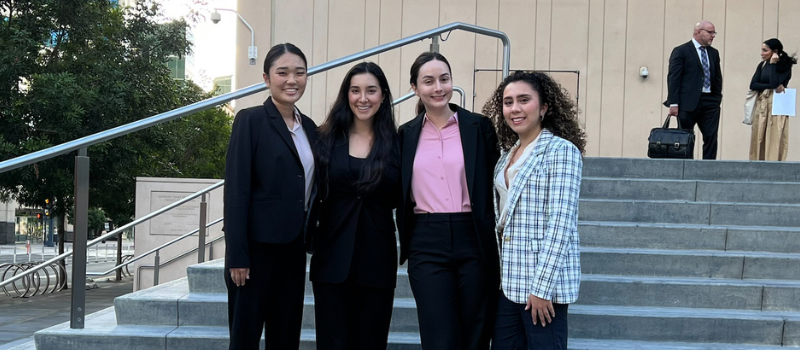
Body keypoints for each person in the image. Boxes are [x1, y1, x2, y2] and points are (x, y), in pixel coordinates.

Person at [397, 51, 500, 350]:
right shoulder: (406, 135)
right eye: (428, 81)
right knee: (438, 335)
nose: (438, 87)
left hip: (474, 237)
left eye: (444, 79)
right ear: (415, 88)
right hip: (426, 240)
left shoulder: (479, 128)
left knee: (476, 332)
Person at [223, 43, 317, 350]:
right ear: (267, 78)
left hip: (293, 249)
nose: (292, 80)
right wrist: (237, 254)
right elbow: (236, 192)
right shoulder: (250, 120)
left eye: (299, 73)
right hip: (254, 252)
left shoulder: (310, 128)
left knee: (286, 336)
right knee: (245, 337)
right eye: (283, 72)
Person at [482, 71, 585, 350]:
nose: (514, 108)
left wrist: (541, 289)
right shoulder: (506, 155)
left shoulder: (561, 151)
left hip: (541, 291)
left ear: (544, 107)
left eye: (524, 100)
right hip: (508, 286)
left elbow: (561, 224)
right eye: (508, 101)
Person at [310, 62, 400, 349]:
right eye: (355, 90)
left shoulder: (399, 143)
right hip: (332, 258)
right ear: (346, 95)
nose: (363, 98)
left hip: (377, 260)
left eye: (371, 91)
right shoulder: (324, 139)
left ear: (383, 95)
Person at [664, 20, 723, 160]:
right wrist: (673, 103)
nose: (713, 36)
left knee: (710, 137)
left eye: (714, 32)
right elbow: (674, 78)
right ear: (698, 32)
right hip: (687, 102)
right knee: (686, 137)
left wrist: (717, 98)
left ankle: (708, 169)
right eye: (710, 32)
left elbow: (717, 77)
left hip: (710, 102)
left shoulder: (713, 53)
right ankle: (687, 168)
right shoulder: (681, 51)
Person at [749, 38, 797, 161]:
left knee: (775, 135)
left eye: (765, 50)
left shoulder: (784, 65)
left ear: (774, 51)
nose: (761, 53)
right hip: (763, 103)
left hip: (777, 104)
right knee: (759, 134)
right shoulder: (762, 65)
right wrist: (769, 86)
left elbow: (775, 82)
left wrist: (773, 64)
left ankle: (774, 162)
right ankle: (757, 161)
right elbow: (753, 84)